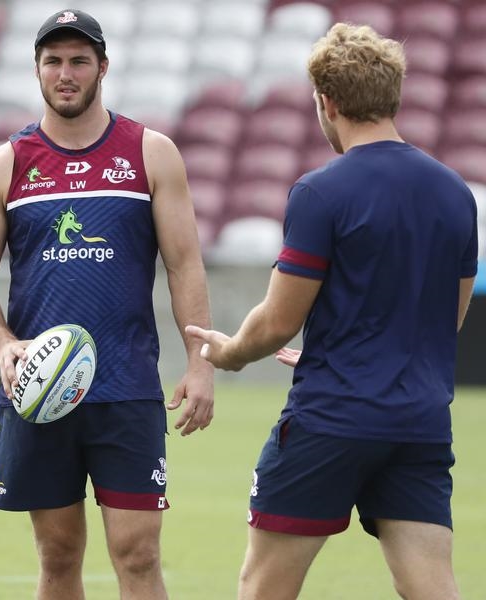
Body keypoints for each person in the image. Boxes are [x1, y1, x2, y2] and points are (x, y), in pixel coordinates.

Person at [186, 23, 478, 600]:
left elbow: (277, 322)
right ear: (394, 96)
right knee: (431, 588)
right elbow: (448, 318)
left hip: (333, 419)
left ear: (328, 102)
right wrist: (350, 345)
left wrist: (231, 353)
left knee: (264, 587)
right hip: (418, 423)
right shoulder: (455, 193)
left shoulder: (321, 192)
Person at [0, 9, 214, 600]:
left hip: (125, 387)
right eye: (53, 61)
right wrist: (3, 344)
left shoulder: (151, 152)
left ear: (103, 67)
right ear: (37, 70)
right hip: (39, 391)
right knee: (57, 554)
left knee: (139, 555)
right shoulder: (5, 165)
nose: (65, 73)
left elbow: (185, 265)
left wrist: (200, 365)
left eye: (79, 60)